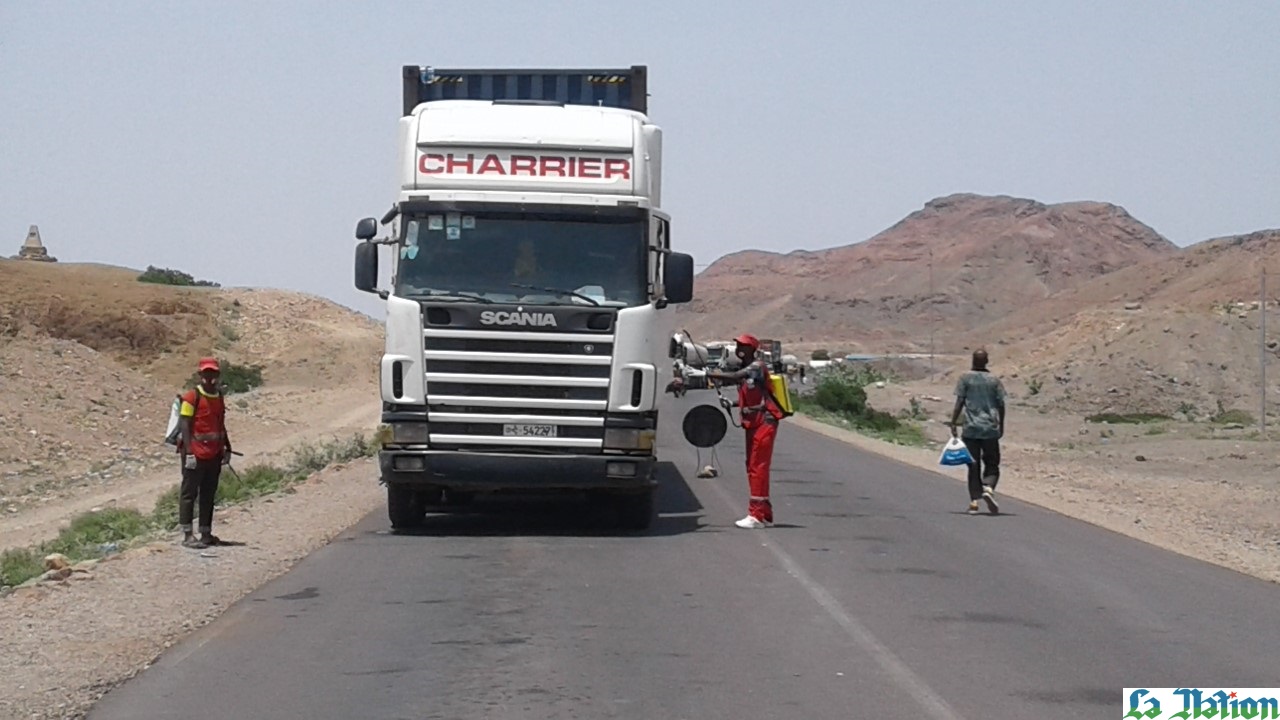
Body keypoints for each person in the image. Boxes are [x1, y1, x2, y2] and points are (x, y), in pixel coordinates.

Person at [705, 334, 786, 529]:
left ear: (752, 348)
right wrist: (732, 403)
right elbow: (750, 394)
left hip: (764, 423)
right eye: (738, 345)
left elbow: (734, 377)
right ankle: (765, 513)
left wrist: (708, 375)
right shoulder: (748, 370)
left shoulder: (757, 366)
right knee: (753, 465)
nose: (739, 348)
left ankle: (756, 515)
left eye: (743, 345)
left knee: (757, 467)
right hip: (753, 423)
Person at [178, 357, 233, 548]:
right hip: (195, 453)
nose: (210, 377)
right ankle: (187, 535)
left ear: (217, 375)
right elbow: (184, 424)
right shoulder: (191, 397)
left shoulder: (218, 396)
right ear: (200, 374)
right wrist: (190, 452)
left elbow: (220, 424)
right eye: (206, 373)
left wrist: (227, 447)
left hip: (214, 453)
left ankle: (206, 532)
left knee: (209, 494)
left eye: (213, 373)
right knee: (189, 493)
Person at [948, 348, 1006, 515]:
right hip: (989, 429)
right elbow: (1001, 405)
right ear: (987, 361)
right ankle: (988, 487)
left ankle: (974, 502)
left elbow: (960, 401)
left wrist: (953, 422)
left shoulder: (965, 378)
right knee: (992, 463)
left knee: (973, 465)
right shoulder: (994, 380)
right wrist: (1001, 424)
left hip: (971, 429)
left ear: (972, 361)